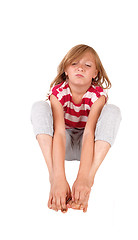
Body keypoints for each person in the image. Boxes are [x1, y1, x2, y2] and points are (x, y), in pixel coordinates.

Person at [30, 44, 122, 213]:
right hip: (61, 144)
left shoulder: (97, 95)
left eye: (87, 65)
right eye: (74, 64)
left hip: (88, 147)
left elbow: (89, 134)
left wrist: (83, 177)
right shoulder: (58, 92)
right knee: (39, 106)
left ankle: (89, 178)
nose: (80, 68)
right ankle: (54, 176)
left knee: (113, 110)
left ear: (95, 73)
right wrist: (59, 177)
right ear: (66, 70)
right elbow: (58, 132)